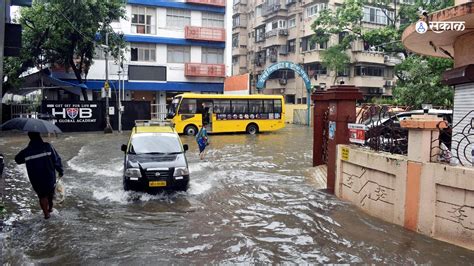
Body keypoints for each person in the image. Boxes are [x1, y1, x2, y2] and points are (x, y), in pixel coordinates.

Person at [15, 132, 63, 219]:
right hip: (49, 175)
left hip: (35, 177)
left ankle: (46, 214)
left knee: (42, 195)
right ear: (39, 135)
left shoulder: (27, 151)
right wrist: (60, 170)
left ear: (29, 137)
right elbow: (56, 159)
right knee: (50, 193)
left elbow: (17, 159)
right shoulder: (47, 146)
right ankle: (50, 209)